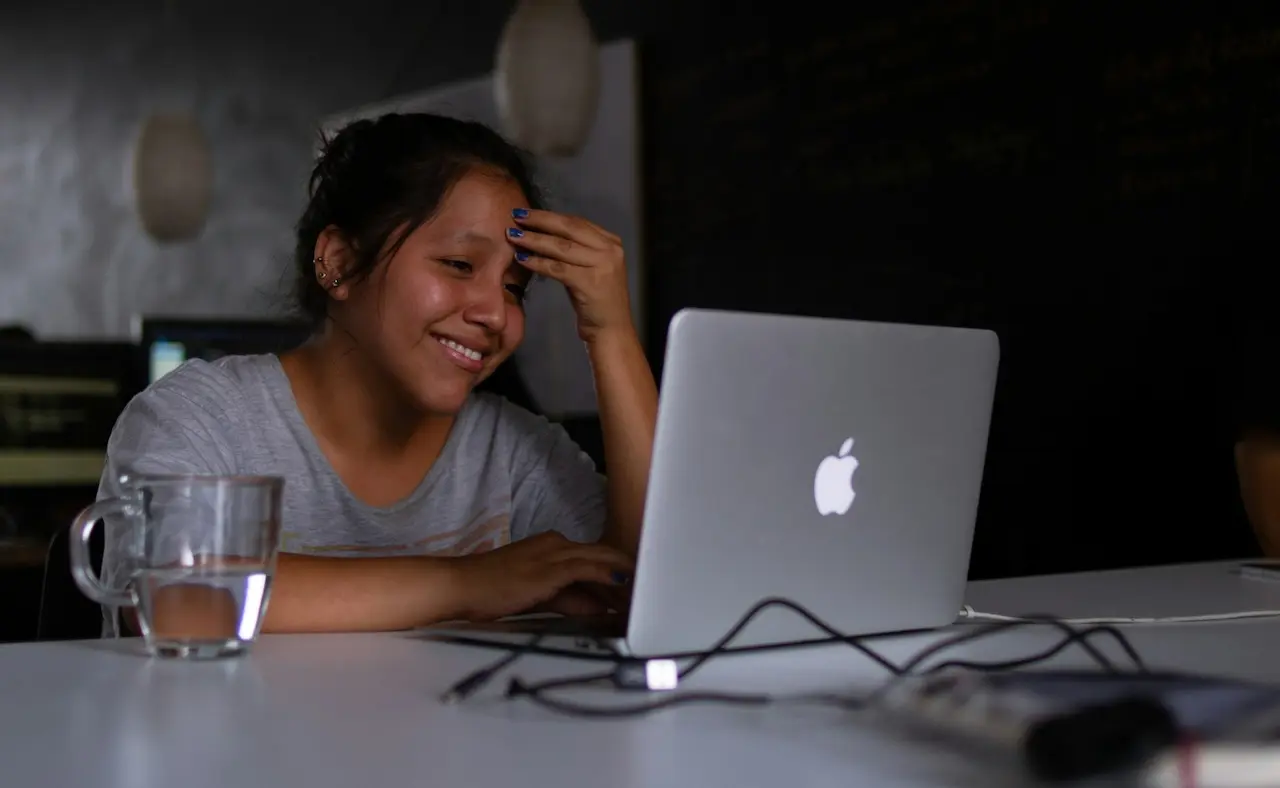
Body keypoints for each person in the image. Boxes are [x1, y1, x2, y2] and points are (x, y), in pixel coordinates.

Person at [98, 112, 659, 635]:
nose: (495, 314)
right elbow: (172, 601)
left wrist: (610, 333)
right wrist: (468, 582)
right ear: (338, 263)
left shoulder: (512, 453)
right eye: (459, 265)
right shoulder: (201, 418)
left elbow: (647, 588)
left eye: (514, 288)